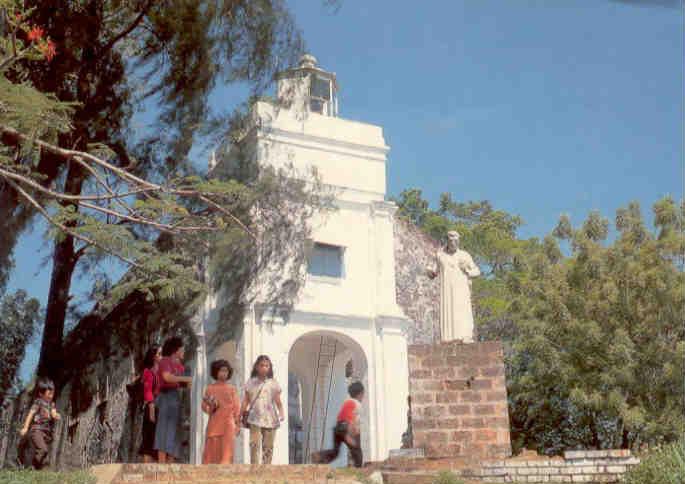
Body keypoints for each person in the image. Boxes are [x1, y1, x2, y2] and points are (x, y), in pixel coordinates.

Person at [154, 337, 192, 463]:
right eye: (182, 349)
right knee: (163, 430)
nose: (184, 351)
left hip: (176, 398)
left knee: (174, 432)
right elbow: (167, 377)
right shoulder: (165, 361)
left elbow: (184, 384)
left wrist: (189, 382)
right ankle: (161, 464)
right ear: (176, 350)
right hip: (165, 397)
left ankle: (170, 465)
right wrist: (186, 379)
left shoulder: (181, 367)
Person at [241, 355, 284, 464]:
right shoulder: (250, 382)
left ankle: (266, 468)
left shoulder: (273, 383)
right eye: (262, 365)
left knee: (268, 446)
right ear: (257, 367)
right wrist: (240, 414)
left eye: (267, 366)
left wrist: (282, 412)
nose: (264, 368)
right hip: (254, 418)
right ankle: (254, 467)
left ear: (269, 368)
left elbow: (278, 401)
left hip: (270, 418)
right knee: (254, 444)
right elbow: (245, 400)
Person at [312, 381, 364, 468]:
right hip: (346, 428)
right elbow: (351, 418)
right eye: (363, 394)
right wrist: (348, 434)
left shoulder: (347, 402)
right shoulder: (357, 404)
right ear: (360, 394)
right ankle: (358, 471)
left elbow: (342, 416)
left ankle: (319, 456)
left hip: (338, 428)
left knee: (335, 452)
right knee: (357, 452)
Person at [202, 359, 240, 464]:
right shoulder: (209, 389)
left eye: (226, 371)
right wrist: (210, 408)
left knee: (226, 454)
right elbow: (204, 406)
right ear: (215, 372)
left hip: (228, 424)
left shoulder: (232, 389)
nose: (224, 373)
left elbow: (237, 408)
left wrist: (238, 424)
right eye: (221, 370)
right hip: (214, 423)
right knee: (211, 454)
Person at [19, 378, 61, 469]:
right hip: (36, 430)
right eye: (49, 394)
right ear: (41, 394)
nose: (51, 396)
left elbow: (53, 413)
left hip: (46, 433)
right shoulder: (38, 402)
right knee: (43, 449)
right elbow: (30, 414)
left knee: (40, 451)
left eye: (52, 394)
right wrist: (25, 428)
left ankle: (32, 467)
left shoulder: (51, 404)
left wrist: (56, 415)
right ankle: (31, 466)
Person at [139, 345, 161, 462]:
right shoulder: (148, 372)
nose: (161, 356)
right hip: (151, 408)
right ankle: (146, 468)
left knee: (155, 438)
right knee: (149, 437)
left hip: (157, 408)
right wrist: (152, 408)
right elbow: (147, 391)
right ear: (153, 357)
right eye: (159, 354)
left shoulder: (157, 371)